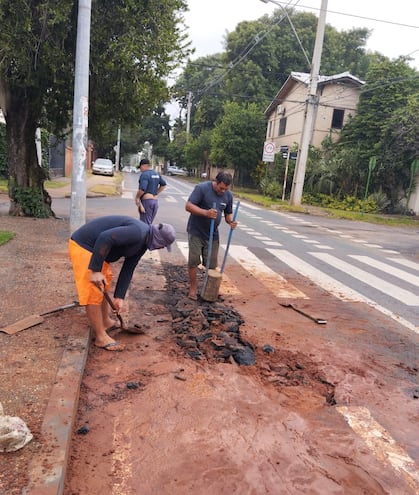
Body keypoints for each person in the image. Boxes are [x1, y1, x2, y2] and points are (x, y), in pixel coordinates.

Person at [69, 216, 176, 351]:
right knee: (92, 291)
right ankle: (101, 337)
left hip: (97, 252)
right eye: (163, 245)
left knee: (105, 283)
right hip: (84, 246)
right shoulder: (138, 232)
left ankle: (106, 321)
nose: (160, 248)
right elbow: (105, 237)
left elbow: (128, 268)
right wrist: (95, 270)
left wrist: (119, 297)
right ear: (159, 240)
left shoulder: (142, 244)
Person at [185, 171, 238, 300]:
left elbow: (228, 214)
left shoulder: (228, 195)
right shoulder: (202, 189)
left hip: (213, 234)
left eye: (226, 189)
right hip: (196, 231)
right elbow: (188, 206)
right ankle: (193, 289)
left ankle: (209, 288)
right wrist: (205, 213)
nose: (223, 191)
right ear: (216, 182)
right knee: (194, 261)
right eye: (221, 188)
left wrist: (231, 222)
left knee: (212, 264)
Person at [135, 159, 167, 224]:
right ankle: (150, 234)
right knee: (149, 223)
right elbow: (163, 185)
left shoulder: (145, 174)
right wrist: (155, 193)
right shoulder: (156, 173)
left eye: (140, 168)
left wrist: (137, 197)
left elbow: (142, 189)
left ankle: (149, 234)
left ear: (144, 166)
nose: (140, 170)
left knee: (145, 224)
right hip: (155, 201)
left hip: (147, 202)